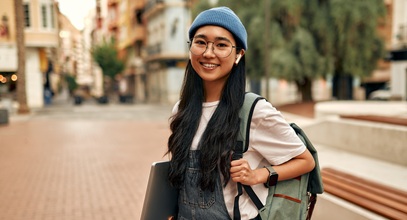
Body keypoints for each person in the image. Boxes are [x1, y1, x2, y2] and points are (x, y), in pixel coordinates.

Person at [166, 6, 315, 220]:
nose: (208, 53)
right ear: (191, 49)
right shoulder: (182, 108)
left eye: (221, 45)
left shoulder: (253, 111)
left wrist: (257, 175)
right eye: (200, 42)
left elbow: (305, 161)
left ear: (238, 54)